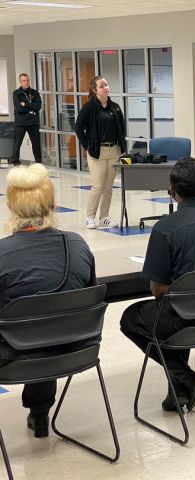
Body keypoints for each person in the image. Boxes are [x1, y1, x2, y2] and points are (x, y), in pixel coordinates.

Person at [120, 157, 195, 412]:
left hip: (188, 320)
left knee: (133, 318)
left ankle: (188, 379)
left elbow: (158, 291)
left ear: (171, 189)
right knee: (177, 306)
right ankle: (178, 392)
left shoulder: (165, 228)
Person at [0, 163, 97, 438]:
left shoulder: (2, 254)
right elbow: (90, 296)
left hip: (14, 358)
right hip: (76, 349)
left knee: (28, 333)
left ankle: (39, 412)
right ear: (53, 204)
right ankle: (39, 413)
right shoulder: (77, 245)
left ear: (11, 206)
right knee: (47, 325)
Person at [75, 75, 126, 229]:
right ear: (95, 90)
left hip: (114, 150)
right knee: (97, 186)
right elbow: (78, 128)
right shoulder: (89, 107)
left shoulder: (115, 107)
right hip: (97, 151)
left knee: (108, 187)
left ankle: (104, 216)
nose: (106, 87)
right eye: (102, 85)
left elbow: (121, 128)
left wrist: (121, 146)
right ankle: (90, 217)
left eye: (106, 84)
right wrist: (87, 145)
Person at [12, 73, 42, 166]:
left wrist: (26, 104)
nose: (26, 82)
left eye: (27, 80)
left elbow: (38, 106)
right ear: (20, 82)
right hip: (20, 123)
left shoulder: (35, 93)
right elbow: (19, 108)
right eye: (24, 81)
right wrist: (31, 107)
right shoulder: (16, 93)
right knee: (17, 143)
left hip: (33, 123)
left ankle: (38, 162)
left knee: (36, 144)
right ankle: (16, 161)